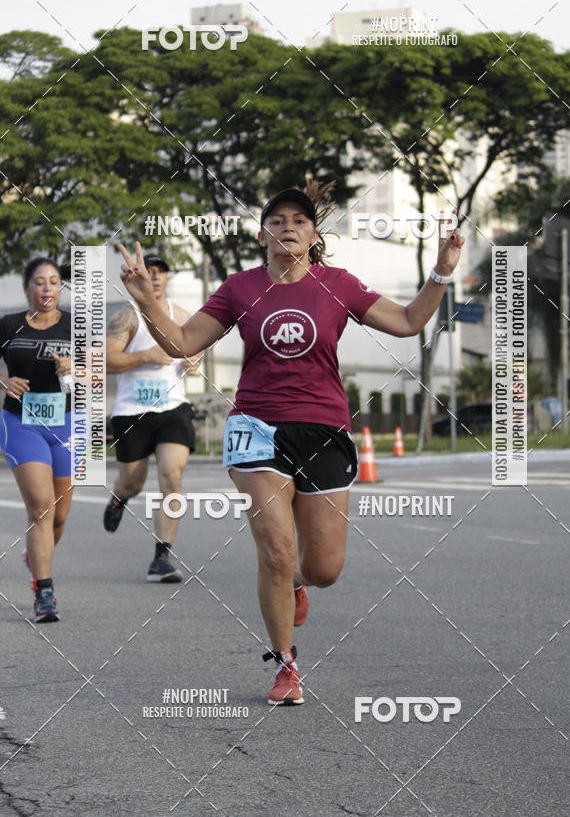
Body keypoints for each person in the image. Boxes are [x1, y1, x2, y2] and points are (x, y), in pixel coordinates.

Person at [116, 183, 464, 704]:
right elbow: (183, 342)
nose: (287, 228)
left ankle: (297, 582)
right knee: (276, 550)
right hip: (255, 427)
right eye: (276, 220)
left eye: (298, 220)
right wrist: (146, 302)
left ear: (314, 233)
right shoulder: (239, 288)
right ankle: (285, 664)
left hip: (323, 429)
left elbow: (410, 322)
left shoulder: (338, 285)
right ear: (262, 235)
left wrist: (442, 269)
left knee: (323, 568)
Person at [103, 254, 200, 582]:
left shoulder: (181, 317)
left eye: (160, 273)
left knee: (172, 476)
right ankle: (120, 497)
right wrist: (145, 355)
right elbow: (106, 362)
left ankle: (162, 557)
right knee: (133, 481)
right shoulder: (126, 318)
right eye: (150, 272)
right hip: (132, 413)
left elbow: (195, 348)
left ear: (167, 279)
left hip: (173, 410)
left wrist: (193, 361)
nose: (154, 278)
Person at [0, 258, 73, 622]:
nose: (47, 288)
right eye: (40, 282)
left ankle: (37, 555)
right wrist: (3, 381)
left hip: (67, 424)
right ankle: (44, 591)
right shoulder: (8, 325)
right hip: (21, 423)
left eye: (54, 282)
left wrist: (77, 368)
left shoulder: (77, 325)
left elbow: (100, 371)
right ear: (27, 288)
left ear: (61, 287)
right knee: (41, 508)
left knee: (59, 517)